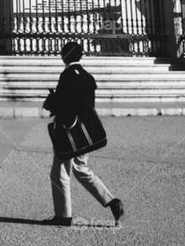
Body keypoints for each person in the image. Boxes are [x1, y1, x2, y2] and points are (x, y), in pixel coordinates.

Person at [43, 42, 124, 226]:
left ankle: (63, 216)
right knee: (81, 169)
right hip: (85, 132)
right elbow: (86, 105)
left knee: (60, 173)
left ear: (65, 56)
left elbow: (63, 104)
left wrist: (51, 103)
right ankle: (112, 202)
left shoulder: (67, 75)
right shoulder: (88, 77)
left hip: (69, 132)